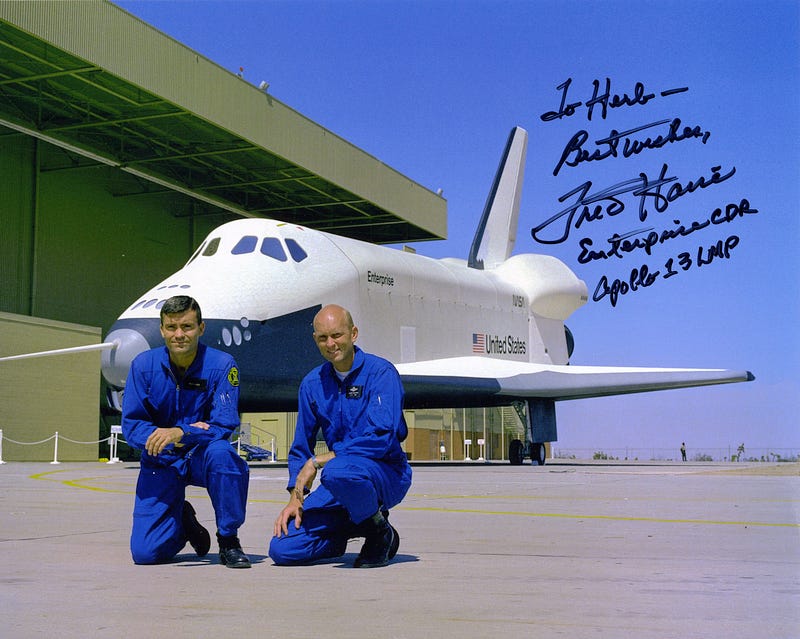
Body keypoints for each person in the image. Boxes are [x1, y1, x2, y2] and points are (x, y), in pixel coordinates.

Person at [270, 304, 412, 568]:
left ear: (353, 333)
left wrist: (318, 461)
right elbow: (301, 445)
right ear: (315, 340)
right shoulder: (312, 384)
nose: (330, 343)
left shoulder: (381, 373)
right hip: (342, 480)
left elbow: (382, 437)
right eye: (323, 338)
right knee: (283, 548)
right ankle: (355, 525)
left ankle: (380, 533)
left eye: (337, 335)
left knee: (337, 471)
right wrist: (295, 497)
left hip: (385, 473)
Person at [121, 295, 251, 568]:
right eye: (171, 327)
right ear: (161, 329)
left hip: (201, 457)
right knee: (146, 555)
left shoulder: (222, 365)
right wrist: (166, 437)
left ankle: (228, 539)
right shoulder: (142, 366)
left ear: (201, 328)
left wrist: (182, 432)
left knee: (223, 454)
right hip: (161, 460)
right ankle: (183, 522)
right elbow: (133, 425)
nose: (179, 334)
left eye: (187, 327)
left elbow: (224, 424)